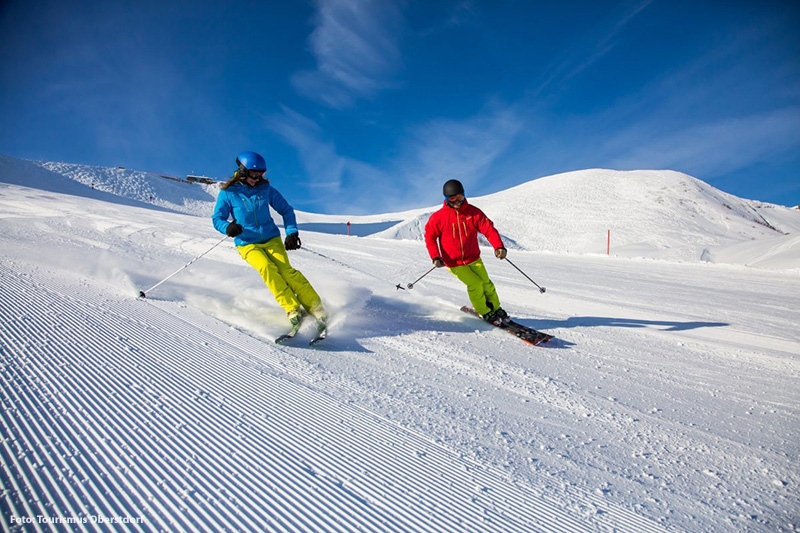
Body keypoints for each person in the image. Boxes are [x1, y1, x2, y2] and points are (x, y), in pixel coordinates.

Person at [212, 151, 326, 331]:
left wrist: (291, 233)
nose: (257, 178)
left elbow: (287, 210)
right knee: (267, 268)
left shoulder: (265, 189)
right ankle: (292, 308)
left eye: (261, 174)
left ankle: (316, 308)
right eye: (253, 174)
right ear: (242, 171)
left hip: (271, 238)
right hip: (247, 242)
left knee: (286, 271)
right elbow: (217, 218)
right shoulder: (228, 193)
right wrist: (227, 227)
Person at [424, 179, 509, 324]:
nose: (456, 201)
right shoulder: (438, 217)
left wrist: (499, 246)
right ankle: (484, 311)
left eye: (459, 197)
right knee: (475, 283)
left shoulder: (473, 212)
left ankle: (495, 308)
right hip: (454, 262)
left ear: (464, 195)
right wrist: (435, 256)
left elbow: (488, 229)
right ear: (446, 199)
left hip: (474, 258)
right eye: (452, 198)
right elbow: (430, 237)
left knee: (486, 283)